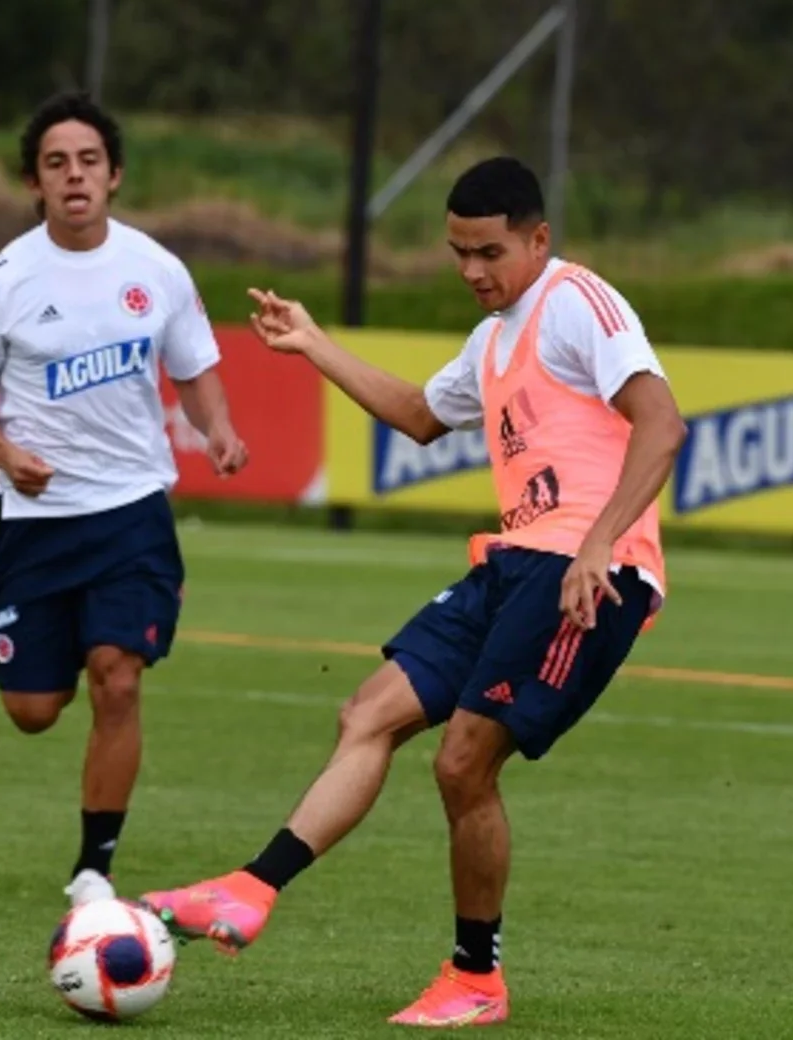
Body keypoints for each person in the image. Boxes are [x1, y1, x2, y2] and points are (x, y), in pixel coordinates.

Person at [140, 156, 686, 1027]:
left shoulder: (578, 302)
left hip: (589, 575)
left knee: (463, 762)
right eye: (458, 253)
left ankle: (476, 979)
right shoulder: (494, 336)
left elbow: (663, 425)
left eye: (489, 252)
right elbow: (420, 416)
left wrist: (599, 543)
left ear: (539, 239)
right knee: (368, 713)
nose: (472, 271)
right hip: (514, 563)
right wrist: (313, 342)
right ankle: (250, 889)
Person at [0, 91, 250, 910]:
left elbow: (194, 366)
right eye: (55, 164)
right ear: (34, 185)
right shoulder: (5, 280)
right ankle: (61, 646)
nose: (73, 176)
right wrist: (7, 453)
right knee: (34, 710)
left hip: (131, 512)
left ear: (113, 176)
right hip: (36, 523)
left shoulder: (156, 270)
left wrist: (216, 428)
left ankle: (94, 868)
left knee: (119, 677)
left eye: (87, 161)